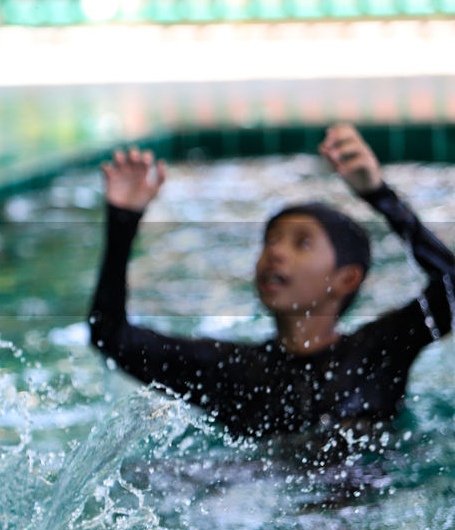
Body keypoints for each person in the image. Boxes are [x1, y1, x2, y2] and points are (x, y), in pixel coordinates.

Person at [89, 123, 453, 448]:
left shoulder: (378, 353)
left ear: (347, 278)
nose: (275, 252)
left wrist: (379, 195)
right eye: (270, 241)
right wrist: (124, 219)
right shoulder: (229, 370)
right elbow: (111, 337)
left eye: (301, 243)